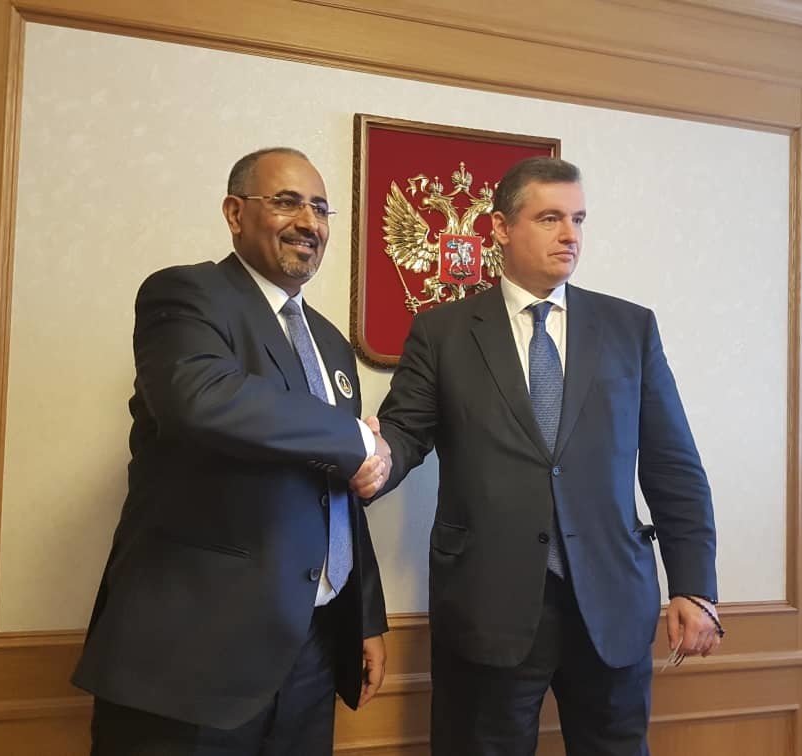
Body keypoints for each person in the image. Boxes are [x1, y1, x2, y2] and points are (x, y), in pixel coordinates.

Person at [357, 156, 720, 755]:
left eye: (578, 219)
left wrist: (695, 586)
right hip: (487, 605)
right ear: (501, 228)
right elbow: (405, 433)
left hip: (611, 603)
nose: (570, 234)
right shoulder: (443, 332)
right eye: (550, 218)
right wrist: (374, 457)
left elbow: (673, 464)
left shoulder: (629, 328)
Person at [73, 147, 391, 756]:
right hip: (191, 657)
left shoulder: (330, 341)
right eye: (287, 202)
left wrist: (365, 616)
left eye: (320, 208)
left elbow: (335, 493)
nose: (309, 222)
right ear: (235, 213)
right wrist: (356, 439)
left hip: (311, 649)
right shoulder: (187, 295)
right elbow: (200, 398)